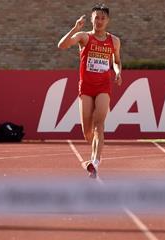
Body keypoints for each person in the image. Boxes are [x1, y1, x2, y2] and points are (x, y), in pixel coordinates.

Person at [58, 3, 122, 178]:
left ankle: (95, 161)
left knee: (99, 124)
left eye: (103, 18)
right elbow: (62, 45)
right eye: (97, 18)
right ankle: (93, 153)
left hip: (103, 87)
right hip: (86, 88)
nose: (100, 21)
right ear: (92, 19)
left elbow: (116, 61)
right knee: (87, 132)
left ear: (107, 20)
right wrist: (74, 28)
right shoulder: (84, 37)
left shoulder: (114, 41)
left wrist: (117, 72)